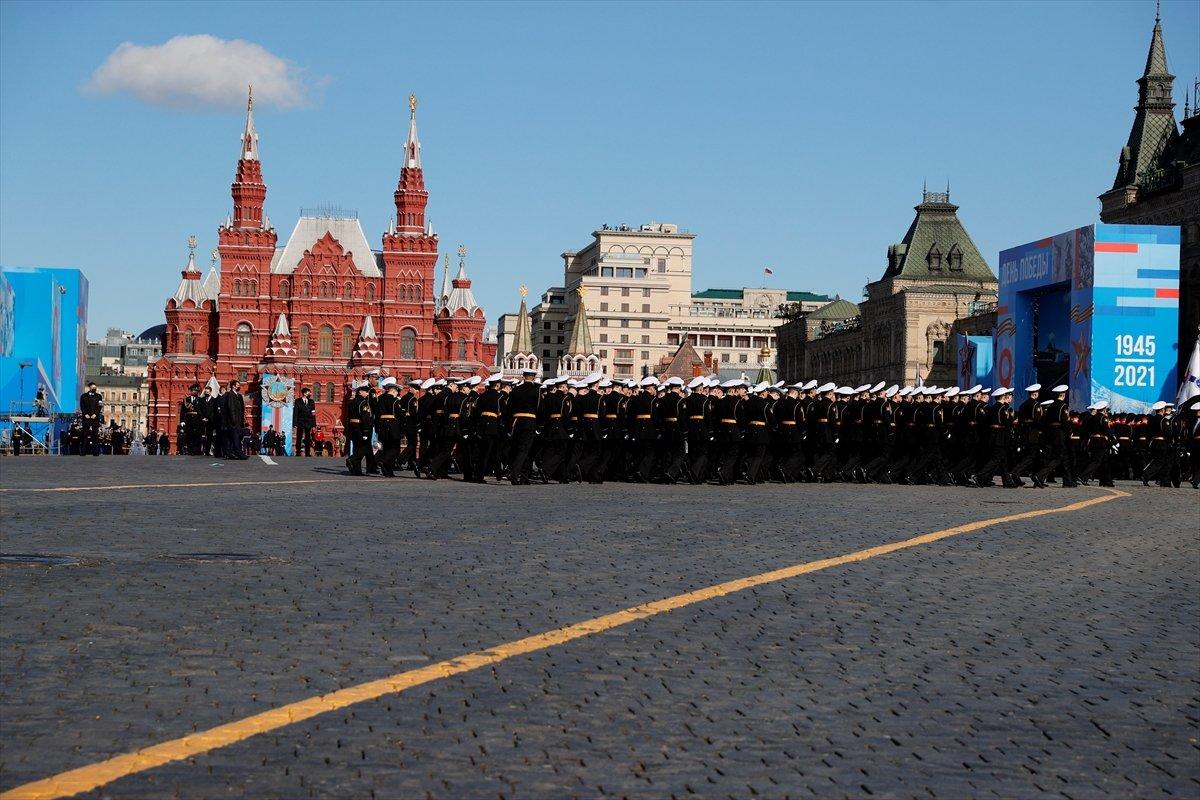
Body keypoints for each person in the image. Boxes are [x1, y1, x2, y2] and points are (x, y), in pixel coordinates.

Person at [345, 382, 375, 476]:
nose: (367, 393)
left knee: (357, 447)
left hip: (352, 426)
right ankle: (352, 459)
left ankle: (357, 470)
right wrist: (366, 431)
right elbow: (365, 418)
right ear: (360, 392)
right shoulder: (363, 402)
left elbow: (348, 416)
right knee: (365, 447)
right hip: (361, 427)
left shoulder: (352, 402)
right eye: (365, 391)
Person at [219, 379, 249, 460]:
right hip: (234, 421)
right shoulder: (231, 395)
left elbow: (241, 409)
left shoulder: (238, 395)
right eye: (237, 385)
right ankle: (239, 453)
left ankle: (230, 453)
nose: (239, 386)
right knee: (236, 438)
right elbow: (231, 407)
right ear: (233, 386)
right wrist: (234, 420)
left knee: (232, 438)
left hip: (237, 420)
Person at [79, 381, 104, 456]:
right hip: (86, 418)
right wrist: (85, 413)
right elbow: (82, 406)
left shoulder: (99, 396)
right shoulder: (83, 396)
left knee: (95, 435)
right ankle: (83, 452)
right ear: (89, 388)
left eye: (95, 388)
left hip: (95, 418)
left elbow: (100, 406)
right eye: (93, 387)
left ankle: (95, 452)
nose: (94, 389)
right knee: (85, 435)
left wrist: (95, 414)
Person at [295, 387, 316, 456]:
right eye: (308, 392)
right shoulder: (298, 401)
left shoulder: (311, 402)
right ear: (304, 393)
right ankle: (298, 451)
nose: (310, 393)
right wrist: (295, 423)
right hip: (300, 421)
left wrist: (314, 425)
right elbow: (295, 413)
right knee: (299, 436)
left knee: (308, 437)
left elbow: (313, 413)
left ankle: (307, 452)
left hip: (308, 422)